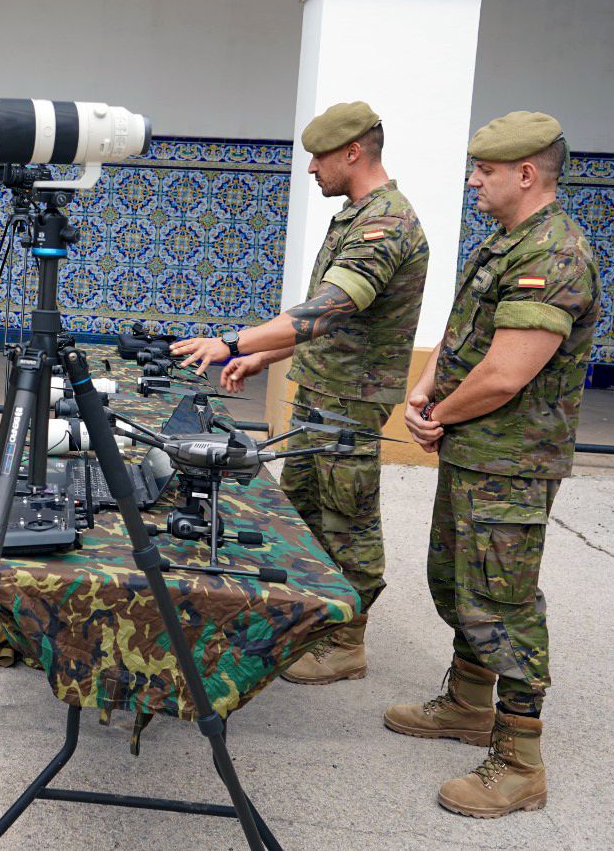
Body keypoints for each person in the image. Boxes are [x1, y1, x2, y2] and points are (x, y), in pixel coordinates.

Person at [172, 101, 428, 684]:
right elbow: (331, 323)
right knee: (306, 516)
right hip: (323, 389)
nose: (311, 168)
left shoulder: (386, 224)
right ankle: (311, 623)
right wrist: (264, 356)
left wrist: (232, 343)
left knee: (350, 520)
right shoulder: (357, 215)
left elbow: (327, 308)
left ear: (353, 152)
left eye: (318, 156)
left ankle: (347, 641)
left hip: (350, 400)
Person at [388, 112, 599, 819]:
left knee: (502, 605)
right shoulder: (507, 244)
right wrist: (426, 389)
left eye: (484, 170)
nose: (473, 180)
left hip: (510, 464)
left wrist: (438, 414)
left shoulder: (555, 256)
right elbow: (466, 334)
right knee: (457, 582)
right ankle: (468, 706)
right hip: (477, 454)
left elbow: (507, 374)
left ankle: (519, 763)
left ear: (526, 174)